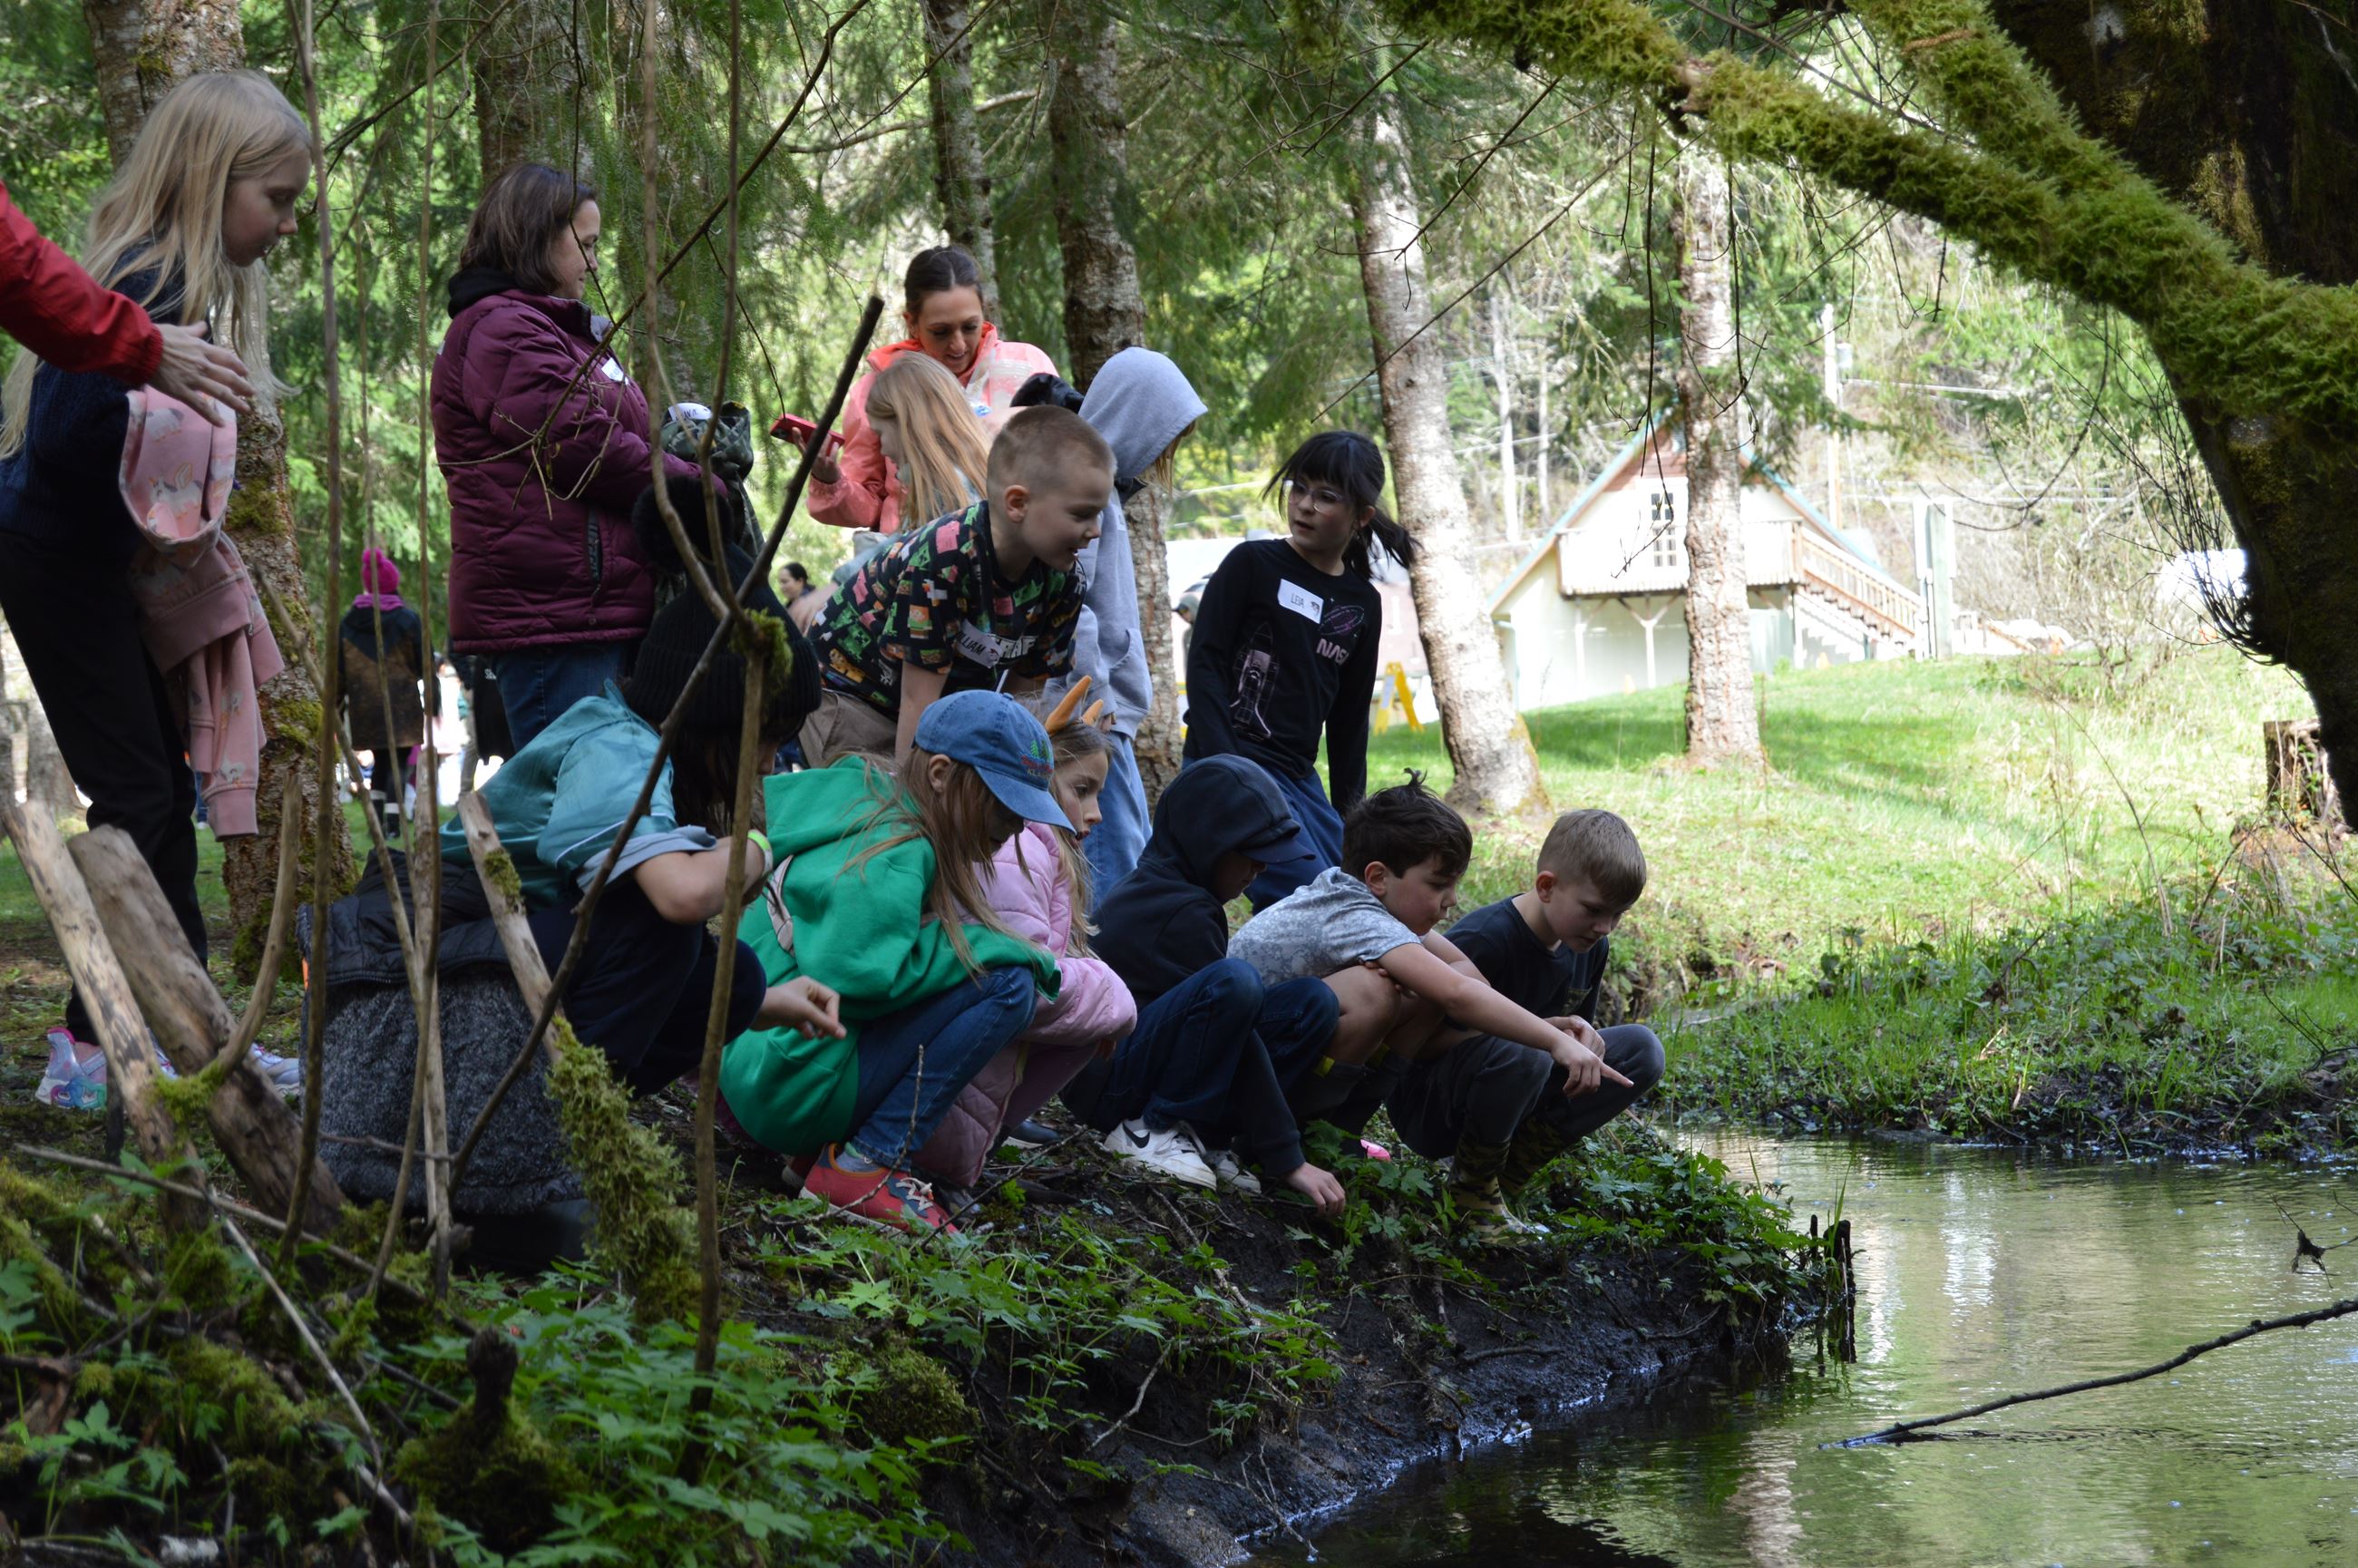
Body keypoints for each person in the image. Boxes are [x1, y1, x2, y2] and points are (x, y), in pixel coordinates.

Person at [0, 71, 313, 1109]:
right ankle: (130, 1048)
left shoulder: (160, 284)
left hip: (82, 568)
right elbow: (65, 438)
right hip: (55, 566)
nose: (282, 226)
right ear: (213, 179)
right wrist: (161, 441)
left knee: (154, 796)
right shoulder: (149, 286)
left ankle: (152, 1036)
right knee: (142, 801)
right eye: (275, 200)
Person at [721, 690, 1067, 1233]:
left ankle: (819, 1158)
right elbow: (853, 975)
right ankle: (866, 1164)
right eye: (1004, 803)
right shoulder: (900, 849)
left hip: (758, 1066)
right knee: (1010, 984)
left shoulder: (863, 800)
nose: (1017, 826)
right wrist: (999, 947)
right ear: (940, 773)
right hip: (790, 1085)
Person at [1225, 774, 1634, 1233]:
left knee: (1423, 989)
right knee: (1383, 990)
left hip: (1278, 1050)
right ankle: (1302, 1141)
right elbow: (1458, 994)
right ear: (1378, 877)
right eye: (1439, 884)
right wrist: (1553, 1043)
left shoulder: (1374, 904)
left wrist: (1542, 1026)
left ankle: (1338, 1135)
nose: (1452, 901)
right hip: (1241, 1070)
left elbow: (1461, 970)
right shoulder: (1355, 914)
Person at [432, 161, 712, 748]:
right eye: (583, 244)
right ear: (535, 237)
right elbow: (588, 448)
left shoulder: (556, 331)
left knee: (604, 803)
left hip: (585, 609)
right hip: (553, 617)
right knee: (578, 811)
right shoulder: (503, 331)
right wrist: (698, 490)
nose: (592, 262)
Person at [1083, 755, 1349, 1214]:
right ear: (1209, 843)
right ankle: (1153, 1129)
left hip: (1146, 1061)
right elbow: (1235, 1031)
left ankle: (1204, 1135)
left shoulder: (1186, 892)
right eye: (1251, 856)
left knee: (1311, 1001)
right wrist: (1287, 1157)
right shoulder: (1175, 910)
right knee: (1236, 983)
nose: (1259, 872)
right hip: (1108, 1086)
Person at [909, 683, 1137, 1201]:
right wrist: (1111, 996)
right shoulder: (1021, 850)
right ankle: (935, 1158)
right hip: (933, 1102)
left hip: (960, 1101)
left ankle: (970, 1152)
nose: (1096, 812)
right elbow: (1022, 984)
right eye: (1082, 789)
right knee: (1099, 1009)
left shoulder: (1035, 848)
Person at [1388, 810, 1664, 1234]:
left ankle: (1506, 1177)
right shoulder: (1485, 940)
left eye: (1618, 915)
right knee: (1529, 1051)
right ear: (1547, 887)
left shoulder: (1590, 944)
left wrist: (1579, 1040)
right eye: (1593, 910)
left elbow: (1571, 1050)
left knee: (1643, 1051)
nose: (1604, 927)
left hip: (1520, 1091)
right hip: (1431, 1107)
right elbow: (1413, 1046)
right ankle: (1472, 1192)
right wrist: (1538, 1033)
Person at [799, 404, 1111, 769]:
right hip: (850, 694)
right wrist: (913, 805)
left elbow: (1018, 704)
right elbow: (919, 703)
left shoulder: (1065, 580)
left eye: (1098, 513)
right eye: (1080, 514)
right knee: (885, 807)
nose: (1096, 530)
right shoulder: (945, 559)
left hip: (933, 704)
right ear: (1017, 504)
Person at [1184, 432, 1408, 909]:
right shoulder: (1252, 564)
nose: (1304, 505)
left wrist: (1353, 821)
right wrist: (1228, 768)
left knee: (1359, 893)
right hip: (1228, 759)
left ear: (1361, 516)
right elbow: (1204, 663)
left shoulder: (1361, 602)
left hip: (1297, 779)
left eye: (1326, 497)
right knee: (1313, 901)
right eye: (1299, 488)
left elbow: (1349, 723)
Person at [1063, 347, 1205, 899]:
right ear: (1135, 416)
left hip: (1104, 718)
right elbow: (1074, 610)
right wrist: (1094, 702)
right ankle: (1114, 980)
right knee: (1112, 870)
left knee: (1126, 853)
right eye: (1166, 434)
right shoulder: (1088, 498)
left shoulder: (1106, 495)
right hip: (1091, 721)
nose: (1166, 452)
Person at [804, 246, 1057, 535]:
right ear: (911, 323)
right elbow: (868, 504)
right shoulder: (880, 389)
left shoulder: (1028, 365)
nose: (958, 344)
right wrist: (830, 479)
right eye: (941, 331)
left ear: (984, 311)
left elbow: (1068, 463)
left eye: (970, 327)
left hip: (1018, 553)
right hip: (918, 564)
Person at [1, 180, 255, 420]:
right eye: (277, 197)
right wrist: (142, 346)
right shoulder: (147, 281)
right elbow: (16, 266)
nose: (291, 226)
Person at [338, 546, 429, 836]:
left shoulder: (348, 623)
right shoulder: (407, 620)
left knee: (379, 762)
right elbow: (423, 662)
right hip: (402, 701)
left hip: (365, 704)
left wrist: (337, 704)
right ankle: (393, 824)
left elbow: (339, 667)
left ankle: (376, 823)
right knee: (399, 764)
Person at [781, 560, 827, 634]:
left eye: (785, 582)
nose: (781, 587)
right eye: (780, 582)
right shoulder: (786, 608)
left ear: (800, 581)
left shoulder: (815, 603)